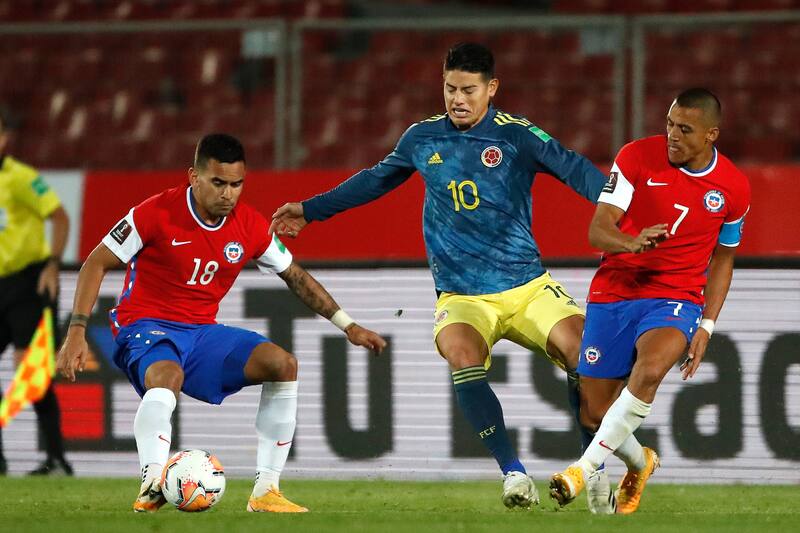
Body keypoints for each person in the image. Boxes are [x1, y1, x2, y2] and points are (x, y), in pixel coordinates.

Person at [270, 42, 613, 511]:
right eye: (450, 88)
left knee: (582, 353)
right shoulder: (422, 138)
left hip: (529, 286)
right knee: (460, 352)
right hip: (463, 295)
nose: (458, 99)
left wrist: (620, 210)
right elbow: (375, 179)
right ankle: (513, 473)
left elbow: (574, 167)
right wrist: (311, 210)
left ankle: (590, 466)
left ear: (491, 89)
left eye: (469, 90)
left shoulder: (516, 135)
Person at [56, 133, 387, 513]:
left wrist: (348, 325)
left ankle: (266, 491)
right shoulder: (155, 212)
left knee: (283, 365)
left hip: (201, 333)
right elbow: (96, 262)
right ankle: (151, 481)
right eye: (218, 183)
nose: (228, 194)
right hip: (144, 326)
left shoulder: (248, 225)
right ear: (193, 177)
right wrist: (77, 331)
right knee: (166, 376)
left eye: (236, 184)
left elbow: (294, 275)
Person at [549, 88, 751, 514]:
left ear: (712, 134)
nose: (672, 136)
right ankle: (641, 463)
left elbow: (724, 258)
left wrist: (708, 325)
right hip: (616, 289)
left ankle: (580, 471)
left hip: (675, 296)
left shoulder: (733, 187)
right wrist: (630, 242)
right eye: (669, 124)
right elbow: (597, 231)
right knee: (595, 413)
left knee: (652, 367)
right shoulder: (637, 157)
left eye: (685, 129)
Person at [0, 112, 72, 476]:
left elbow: (60, 217)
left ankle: (57, 458)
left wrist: (53, 265)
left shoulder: (22, 178)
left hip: (28, 283)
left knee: (32, 374)